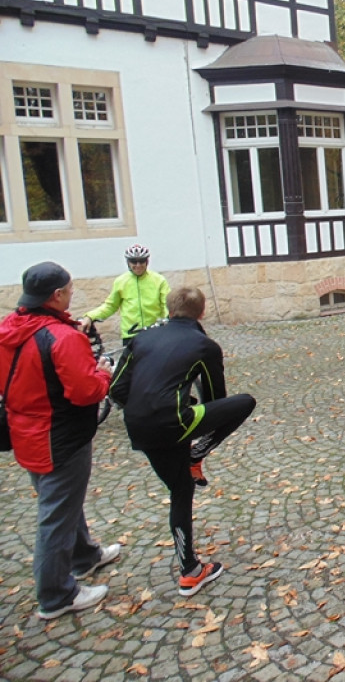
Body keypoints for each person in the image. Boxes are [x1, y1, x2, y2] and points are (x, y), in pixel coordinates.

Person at [110, 287, 255, 595]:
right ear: (202, 313)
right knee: (245, 402)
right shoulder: (205, 345)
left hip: (139, 426)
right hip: (175, 420)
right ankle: (196, 455)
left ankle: (190, 570)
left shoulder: (141, 338)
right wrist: (185, 405)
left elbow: (116, 390)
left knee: (181, 489)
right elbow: (216, 400)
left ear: (168, 308)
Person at [0, 262, 117, 619]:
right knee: (55, 515)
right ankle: (56, 594)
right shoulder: (61, 338)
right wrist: (104, 372)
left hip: (26, 431)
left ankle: (84, 556)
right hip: (61, 437)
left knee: (64, 502)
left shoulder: (9, 329)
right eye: (69, 288)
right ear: (56, 296)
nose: (72, 293)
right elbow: (85, 392)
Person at [81, 244, 169, 342]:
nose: (138, 265)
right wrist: (90, 316)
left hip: (154, 332)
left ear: (147, 261)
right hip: (131, 334)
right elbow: (110, 306)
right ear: (128, 262)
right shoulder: (121, 281)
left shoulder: (159, 280)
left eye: (142, 261)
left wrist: (170, 320)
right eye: (134, 261)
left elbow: (166, 304)